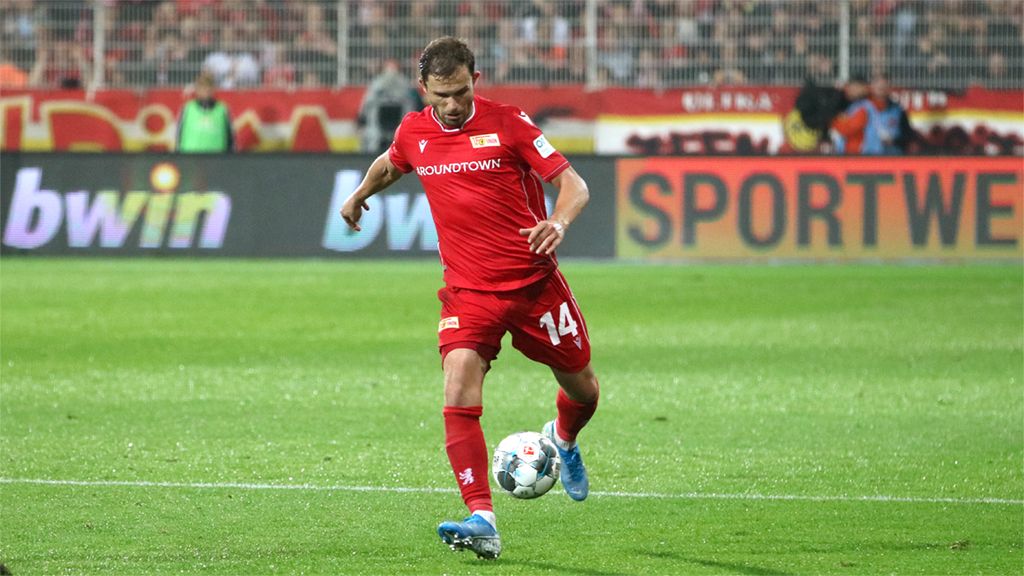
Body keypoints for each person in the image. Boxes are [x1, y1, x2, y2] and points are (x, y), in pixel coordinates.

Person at [339, 37, 599, 560]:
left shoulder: (509, 124)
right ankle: (482, 517)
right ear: (424, 91)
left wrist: (558, 221)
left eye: (459, 92)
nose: (452, 105)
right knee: (457, 386)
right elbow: (392, 163)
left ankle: (564, 439)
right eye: (441, 96)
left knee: (584, 389)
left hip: (532, 286)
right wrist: (360, 193)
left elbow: (574, 184)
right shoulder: (415, 130)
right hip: (468, 291)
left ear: (475, 79)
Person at [831, 75, 914, 155]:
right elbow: (846, 128)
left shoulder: (897, 110)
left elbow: (907, 134)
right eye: (879, 87)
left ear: (889, 88)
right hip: (866, 155)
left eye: (884, 86)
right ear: (871, 87)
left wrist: (894, 141)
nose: (882, 89)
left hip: (892, 155)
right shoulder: (862, 107)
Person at [357, 59, 422, 154]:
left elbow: (367, 103)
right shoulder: (404, 85)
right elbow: (368, 102)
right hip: (379, 123)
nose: (391, 75)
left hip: (395, 123)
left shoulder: (403, 85)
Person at [176, 72, 234, 153]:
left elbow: (231, 137)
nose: (206, 90)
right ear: (197, 89)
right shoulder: (187, 109)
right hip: (190, 159)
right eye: (202, 87)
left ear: (213, 89)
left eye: (209, 87)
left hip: (217, 160)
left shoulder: (222, 109)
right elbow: (178, 135)